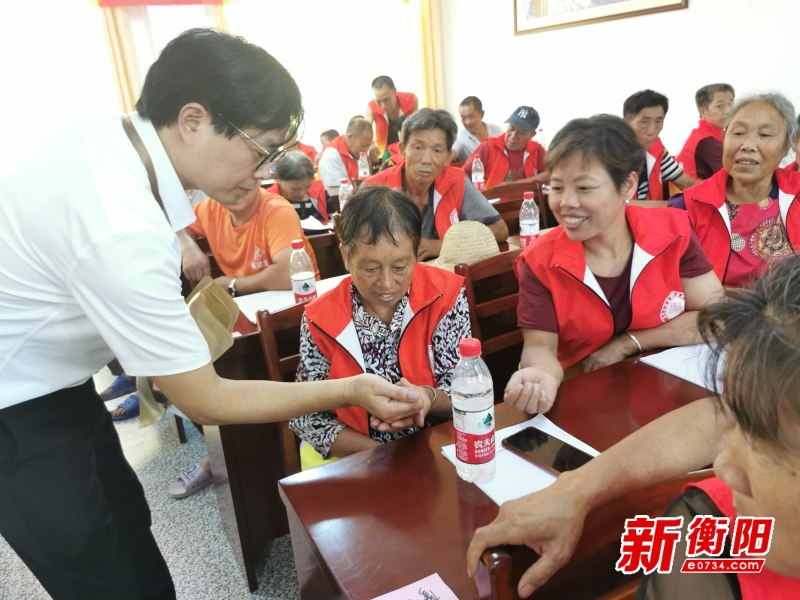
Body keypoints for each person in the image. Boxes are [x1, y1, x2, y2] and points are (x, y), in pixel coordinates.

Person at [0, 28, 421, 599]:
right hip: (16, 406)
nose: (265, 171)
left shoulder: (100, 138)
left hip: (57, 383)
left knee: (126, 527)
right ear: (193, 119)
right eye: (261, 147)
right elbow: (202, 397)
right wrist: (351, 390)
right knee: (99, 572)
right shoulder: (121, 226)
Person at [468, 254, 800, 599]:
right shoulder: (713, 536)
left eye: (768, 445)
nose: (723, 467)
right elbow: (719, 419)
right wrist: (576, 489)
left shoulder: (669, 240)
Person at [505, 115, 723, 414]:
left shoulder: (673, 232)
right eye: (556, 188)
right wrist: (541, 376)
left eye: (584, 188)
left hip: (669, 387)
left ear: (627, 185)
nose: (566, 202)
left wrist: (630, 342)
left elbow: (716, 318)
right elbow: (541, 347)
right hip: (586, 396)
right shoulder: (540, 261)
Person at [289, 185, 471, 469]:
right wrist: (382, 456)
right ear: (346, 256)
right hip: (360, 459)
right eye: (371, 269)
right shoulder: (320, 319)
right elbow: (306, 417)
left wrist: (427, 399)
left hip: (437, 452)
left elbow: (466, 387)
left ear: (416, 252)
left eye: (400, 267)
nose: (387, 284)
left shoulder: (444, 295)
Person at [669, 93, 800, 288]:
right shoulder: (686, 207)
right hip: (718, 315)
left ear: (785, 147)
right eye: (738, 133)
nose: (748, 145)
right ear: (723, 138)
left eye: (765, 135)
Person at [365, 108, 508, 260]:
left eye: (437, 150)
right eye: (418, 148)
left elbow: (500, 230)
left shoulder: (456, 182)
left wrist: (441, 245)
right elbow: (355, 247)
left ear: (448, 156)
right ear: (402, 150)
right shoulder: (374, 187)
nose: (427, 159)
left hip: (447, 276)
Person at [623, 89, 698, 199]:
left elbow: (685, 183)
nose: (652, 131)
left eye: (658, 121)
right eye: (644, 122)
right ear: (626, 121)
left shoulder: (657, 150)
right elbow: (613, 204)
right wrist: (664, 207)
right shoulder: (611, 153)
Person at [464, 105, 549, 189]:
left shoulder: (536, 150)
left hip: (527, 201)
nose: (513, 136)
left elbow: (551, 174)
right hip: (491, 201)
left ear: (532, 135)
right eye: (511, 129)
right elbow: (463, 173)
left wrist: (515, 185)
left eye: (521, 133)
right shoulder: (488, 147)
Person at [676, 83, 735, 180]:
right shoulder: (707, 142)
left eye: (731, 104)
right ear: (703, 111)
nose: (729, 111)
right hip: (696, 194)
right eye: (720, 106)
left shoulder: (704, 134)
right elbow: (734, 179)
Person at [267, 151, 331, 223]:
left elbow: (333, 218)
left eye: (307, 186)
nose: (302, 193)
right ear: (279, 180)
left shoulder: (320, 191)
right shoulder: (268, 200)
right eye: (295, 189)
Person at [366, 75, 419, 161]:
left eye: (386, 99)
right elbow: (365, 130)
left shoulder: (411, 100)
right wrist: (370, 144)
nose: (383, 105)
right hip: (384, 152)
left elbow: (417, 128)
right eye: (378, 101)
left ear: (394, 91)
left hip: (408, 148)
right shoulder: (371, 107)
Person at [318, 116, 374, 194]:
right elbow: (339, 194)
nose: (365, 150)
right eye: (363, 145)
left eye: (368, 146)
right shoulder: (331, 155)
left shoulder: (357, 152)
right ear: (350, 137)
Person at [452, 96, 503, 163]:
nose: (467, 122)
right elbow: (451, 153)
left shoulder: (497, 130)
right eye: (463, 118)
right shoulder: (460, 138)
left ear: (482, 114)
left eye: (471, 117)